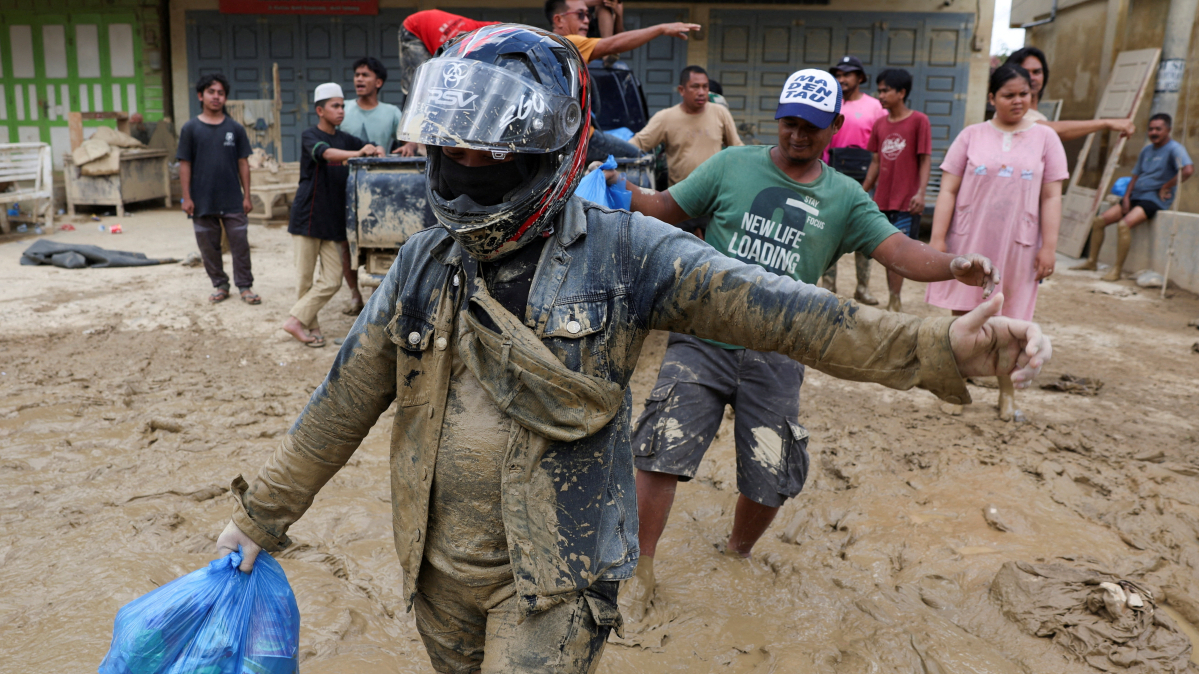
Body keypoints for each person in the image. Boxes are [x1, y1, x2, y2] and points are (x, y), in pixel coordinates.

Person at [213, 27, 1052, 674]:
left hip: (553, 581)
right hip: (434, 579)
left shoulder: (626, 254)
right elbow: (341, 402)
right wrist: (259, 518)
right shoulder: (422, 264)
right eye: (452, 149)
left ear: (543, 152)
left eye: (489, 152)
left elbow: (794, 316)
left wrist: (943, 346)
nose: (465, 167)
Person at [606, 68, 1005, 619]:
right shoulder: (731, 166)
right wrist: (617, 189)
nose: (798, 135)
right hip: (701, 340)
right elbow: (661, 210)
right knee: (659, 451)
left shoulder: (843, 197)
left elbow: (899, 251)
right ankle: (639, 569)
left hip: (782, 352)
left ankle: (736, 553)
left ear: (836, 127)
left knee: (771, 475)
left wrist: (954, 265)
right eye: (791, 123)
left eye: (812, 127)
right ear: (777, 117)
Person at [925, 65, 1067, 421]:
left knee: (1013, 320)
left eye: (1024, 94)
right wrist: (939, 239)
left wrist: (1049, 246)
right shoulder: (971, 135)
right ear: (992, 98)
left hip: (1019, 246)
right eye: (1008, 95)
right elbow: (949, 189)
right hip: (970, 240)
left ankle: (1007, 396)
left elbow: (1052, 197)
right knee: (963, 317)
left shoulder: (1046, 138)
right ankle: (955, 388)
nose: (1018, 101)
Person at [281, 83, 383, 348]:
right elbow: (324, 154)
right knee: (304, 279)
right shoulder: (309, 136)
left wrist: (375, 149)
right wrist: (358, 153)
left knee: (332, 280)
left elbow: (369, 147)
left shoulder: (345, 138)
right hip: (307, 217)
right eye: (335, 106)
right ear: (320, 110)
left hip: (333, 219)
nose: (341, 110)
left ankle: (294, 321)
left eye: (342, 105)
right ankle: (310, 328)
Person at [546, 0, 700, 162]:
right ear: (558, 20)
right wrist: (661, 29)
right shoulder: (569, 43)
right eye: (580, 14)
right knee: (641, 160)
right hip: (581, 139)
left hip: (568, 138)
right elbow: (614, 44)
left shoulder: (549, 45)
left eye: (588, 14)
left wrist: (614, 13)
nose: (586, 20)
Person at [1071, 112, 1194, 280]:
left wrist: (1166, 186)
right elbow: (1135, 176)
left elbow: (1188, 170)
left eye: (1158, 129)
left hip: (1153, 199)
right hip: (1136, 195)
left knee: (1123, 225)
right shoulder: (1147, 150)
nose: (1154, 132)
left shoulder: (1175, 149)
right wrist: (1127, 197)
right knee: (1098, 221)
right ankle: (1091, 262)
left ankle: (1117, 270)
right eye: (1150, 129)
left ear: (1168, 130)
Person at [177, 73, 259, 305]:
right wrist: (186, 197)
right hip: (202, 200)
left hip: (233, 199)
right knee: (208, 247)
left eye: (220, 93)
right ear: (200, 96)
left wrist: (247, 195)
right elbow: (185, 164)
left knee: (240, 244)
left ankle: (245, 286)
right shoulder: (190, 128)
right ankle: (220, 285)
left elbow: (243, 163)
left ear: (225, 98)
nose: (216, 97)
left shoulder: (235, 129)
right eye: (211, 92)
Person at [862, 68, 932, 313]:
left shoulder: (919, 121)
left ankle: (895, 299)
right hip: (882, 200)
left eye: (885, 90)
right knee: (886, 252)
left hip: (906, 201)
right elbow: (875, 161)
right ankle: (892, 296)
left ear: (901, 93)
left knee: (901, 252)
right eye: (879, 90)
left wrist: (920, 193)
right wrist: (863, 191)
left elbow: (925, 160)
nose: (880, 95)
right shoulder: (880, 124)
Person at [821, 55, 887, 305]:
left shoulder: (875, 107)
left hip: (865, 181)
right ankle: (829, 287)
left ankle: (862, 288)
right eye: (838, 75)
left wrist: (870, 183)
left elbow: (880, 150)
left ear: (860, 78)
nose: (842, 79)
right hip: (832, 177)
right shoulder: (829, 103)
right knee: (827, 233)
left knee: (865, 234)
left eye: (847, 74)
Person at [339, 56, 402, 315]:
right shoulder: (341, 109)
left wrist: (408, 146)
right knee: (347, 243)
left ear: (379, 82)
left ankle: (381, 297)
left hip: (383, 191)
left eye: (365, 75)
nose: (359, 79)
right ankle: (355, 295)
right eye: (356, 75)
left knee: (384, 243)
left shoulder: (392, 113)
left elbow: (406, 144)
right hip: (345, 187)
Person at [396, 10, 502, 158]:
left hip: (434, 26)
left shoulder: (495, 31)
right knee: (423, 82)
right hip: (414, 28)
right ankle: (417, 142)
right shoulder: (464, 52)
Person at [630, 66, 742, 187]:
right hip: (680, 197)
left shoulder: (720, 113)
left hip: (714, 195)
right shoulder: (665, 118)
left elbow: (738, 148)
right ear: (681, 90)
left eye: (705, 86)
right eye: (695, 87)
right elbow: (637, 144)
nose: (702, 92)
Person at [1005, 47, 1135, 141]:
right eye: (1026, 72)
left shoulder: (1036, 114)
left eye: (1037, 72)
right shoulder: (1011, 110)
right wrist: (1105, 123)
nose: (1032, 78)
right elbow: (1052, 130)